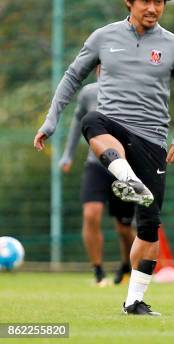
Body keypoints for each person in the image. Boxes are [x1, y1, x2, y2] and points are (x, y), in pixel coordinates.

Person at [34, 0, 174, 316]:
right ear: (129, 1)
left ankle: (134, 301)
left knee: (150, 226)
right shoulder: (103, 37)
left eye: (159, 2)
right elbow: (71, 78)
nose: (152, 8)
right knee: (92, 119)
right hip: (112, 127)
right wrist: (51, 120)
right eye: (145, 1)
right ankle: (127, 178)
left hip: (153, 140)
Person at [59, 67, 135, 286]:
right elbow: (77, 122)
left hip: (123, 166)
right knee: (91, 214)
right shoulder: (89, 93)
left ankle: (126, 266)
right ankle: (98, 271)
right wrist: (68, 154)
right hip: (96, 164)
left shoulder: (133, 92)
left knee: (124, 227)